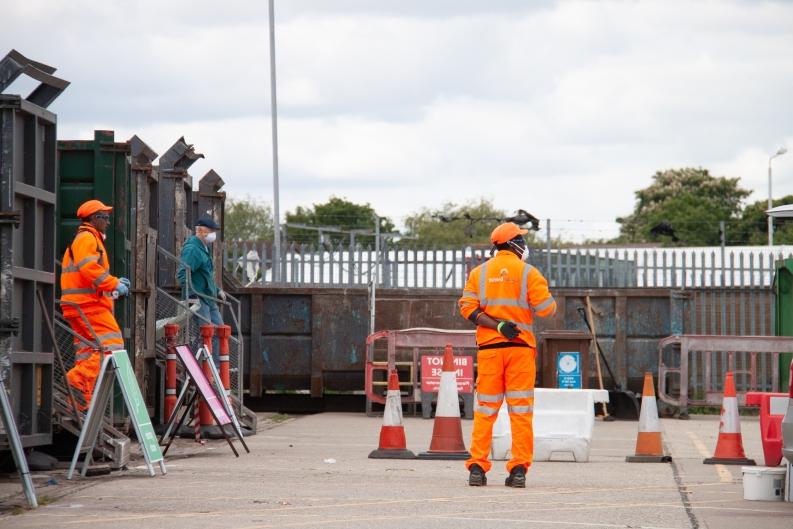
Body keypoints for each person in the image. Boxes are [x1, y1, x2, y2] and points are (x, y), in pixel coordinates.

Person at [458, 222, 557, 488]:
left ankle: (477, 467)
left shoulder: (478, 274)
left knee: (485, 411)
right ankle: (518, 471)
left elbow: (467, 308)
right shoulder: (529, 273)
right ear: (514, 244)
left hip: (490, 351)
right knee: (520, 413)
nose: (525, 245)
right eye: (522, 241)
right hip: (520, 352)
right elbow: (547, 309)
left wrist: (497, 325)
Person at [61, 199, 130, 410]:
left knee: (88, 352)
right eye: (105, 217)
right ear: (94, 219)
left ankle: (82, 403)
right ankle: (75, 382)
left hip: (80, 305)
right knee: (113, 346)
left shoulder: (87, 238)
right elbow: (88, 268)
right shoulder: (87, 238)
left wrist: (112, 287)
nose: (108, 221)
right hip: (88, 306)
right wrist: (114, 283)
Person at [177, 215, 225, 366]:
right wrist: (192, 295)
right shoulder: (193, 249)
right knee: (206, 333)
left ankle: (215, 366)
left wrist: (217, 290)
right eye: (210, 230)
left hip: (209, 298)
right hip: (199, 299)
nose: (212, 234)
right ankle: (204, 366)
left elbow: (205, 275)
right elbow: (182, 274)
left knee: (219, 331)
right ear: (200, 230)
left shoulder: (203, 248)